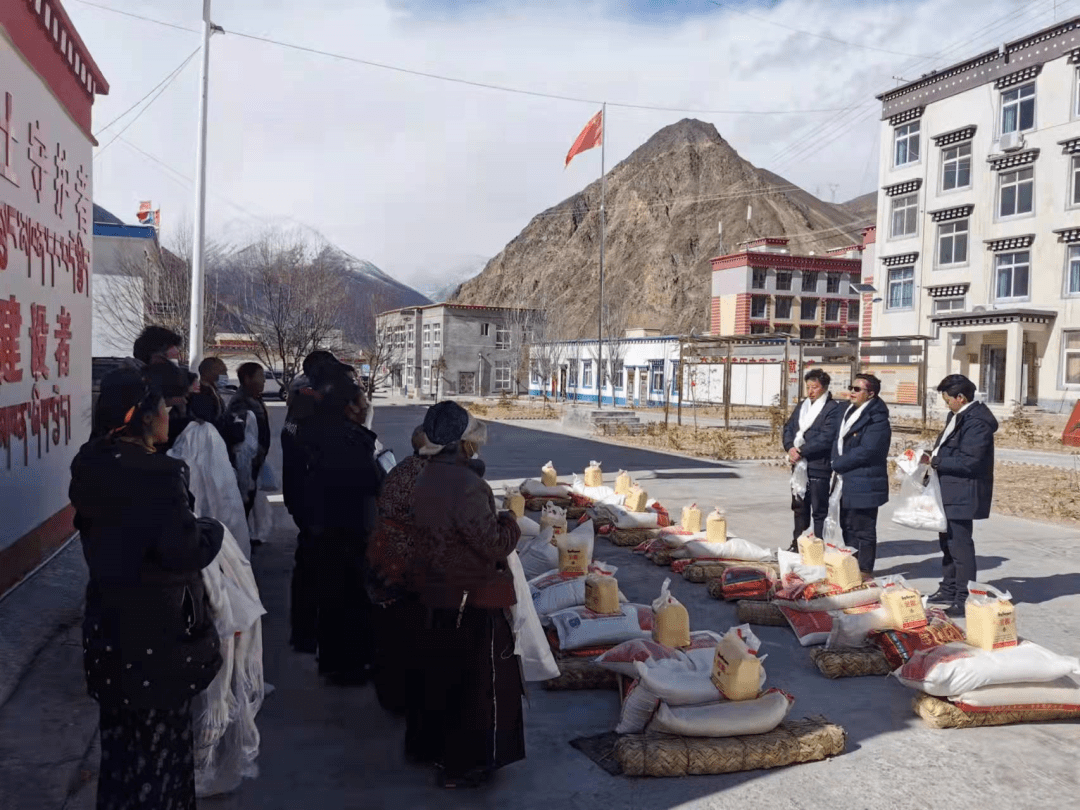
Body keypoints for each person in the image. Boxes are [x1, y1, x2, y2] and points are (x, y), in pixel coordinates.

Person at [69, 368, 224, 810]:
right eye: (163, 408)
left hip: (109, 629)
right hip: (159, 637)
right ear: (141, 416)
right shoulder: (159, 475)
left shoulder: (89, 462)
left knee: (121, 749)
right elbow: (183, 549)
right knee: (162, 753)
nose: (170, 416)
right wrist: (211, 530)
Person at [406, 401, 525, 789]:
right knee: (475, 686)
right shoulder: (467, 485)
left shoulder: (425, 477)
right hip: (470, 597)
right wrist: (510, 522)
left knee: (442, 677)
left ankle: (439, 755)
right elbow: (491, 544)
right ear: (459, 444)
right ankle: (465, 764)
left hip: (436, 592)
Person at [302, 366, 384, 683]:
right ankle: (349, 666)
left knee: (335, 598)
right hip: (347, 531)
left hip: (327, 529)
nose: (366, 409)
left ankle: (337, 661)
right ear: (350, 408)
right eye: (364, 404)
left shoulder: (324, 432)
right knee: (349, 599)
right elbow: (367, 484)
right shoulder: (349, 442)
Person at [921, 374, 998, 616]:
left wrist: (935, 460)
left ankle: (965, 597)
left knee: (961, 545)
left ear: (960, 398)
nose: (946, 404)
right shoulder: (958, 416)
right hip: (948, 488)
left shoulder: (977, 422)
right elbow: (946, 448)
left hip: (964, 490)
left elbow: (970, 461)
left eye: (947, 400)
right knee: (947, 542)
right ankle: (949, 587)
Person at [366, 425, 430, 714]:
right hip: (403, 565)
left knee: (390, 633)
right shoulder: (428, 477)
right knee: (407, 635)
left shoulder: (402, 467)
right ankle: (401, 697)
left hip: (383, 557)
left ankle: (390, 693)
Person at [282, 351, 340, 652]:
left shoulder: (308, 403)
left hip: (307, 497)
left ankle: (309, 630)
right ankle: (305, 633)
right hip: (310, 500)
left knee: (313, 565)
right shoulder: (305, 403)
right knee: (311, 567)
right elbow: (291, 437)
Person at [830, 373, 892, 575]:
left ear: (871, 394)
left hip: (866, 480)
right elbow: (837, 441)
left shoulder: (877, 419)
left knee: (863, 529)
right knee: (847, 525)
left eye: (857, 389)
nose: (852, 392)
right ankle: (850, 567)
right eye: (851, 387)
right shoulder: (848, 411)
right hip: (847, 479)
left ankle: (864, 570)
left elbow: (868, 450)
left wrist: (838, 463)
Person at [782, 368, 844, 548]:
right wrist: (790, 448)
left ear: (824, 387)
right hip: (799, 466)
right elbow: (789, 428)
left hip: (819, 465)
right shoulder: (802, 406)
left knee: (819, 509)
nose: (810, 391)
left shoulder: (832, 408)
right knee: (799, 506)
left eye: (814, 387)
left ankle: (817, 544)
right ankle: (798, 543)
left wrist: (801, 451)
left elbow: (826, 436)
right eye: (808, 387)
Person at [225, 362, 271, 517]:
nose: (264, 381)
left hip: (254, 460)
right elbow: (239, 434)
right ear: (247, 379)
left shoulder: (254, 398)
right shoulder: (241, 401)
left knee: (250, 500)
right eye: (260, 376)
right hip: (246, 462)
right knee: (244, 500)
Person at [190, 356, 229, 428]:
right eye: (222, 371)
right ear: (206, 372)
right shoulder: (200, 395)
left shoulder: (213, 391)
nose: (225, 375)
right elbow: (208, 423)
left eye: (225, 371)